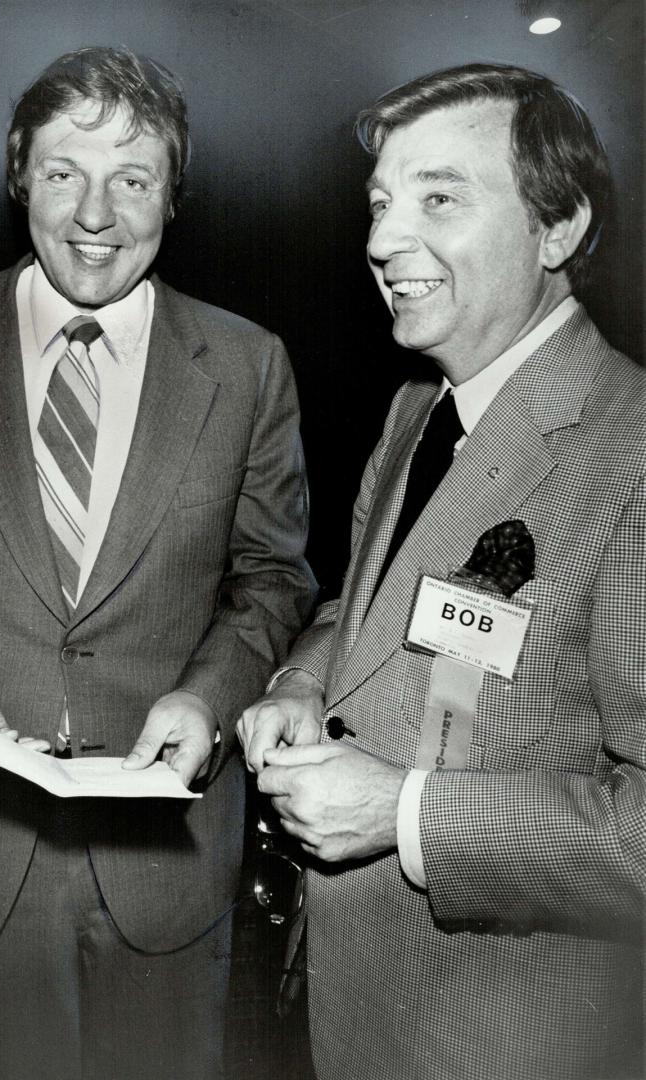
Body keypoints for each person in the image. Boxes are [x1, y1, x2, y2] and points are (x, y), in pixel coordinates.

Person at [0, 46, 316, 1080]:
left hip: (168, 866)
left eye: (132, 179)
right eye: (64, 173)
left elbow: (273, 577)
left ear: (171, 196)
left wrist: (210, 699)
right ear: (19, 177)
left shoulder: (247, 364)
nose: (96, 214)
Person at [238, 63, 644, 1080]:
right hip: (363, 1006)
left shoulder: (632, 454)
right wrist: (300, 683)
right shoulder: (420, 405)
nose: (380, 243)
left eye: (439, 199)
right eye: (380, 203)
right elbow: (365, 613)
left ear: (559, 231)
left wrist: (405, 814)